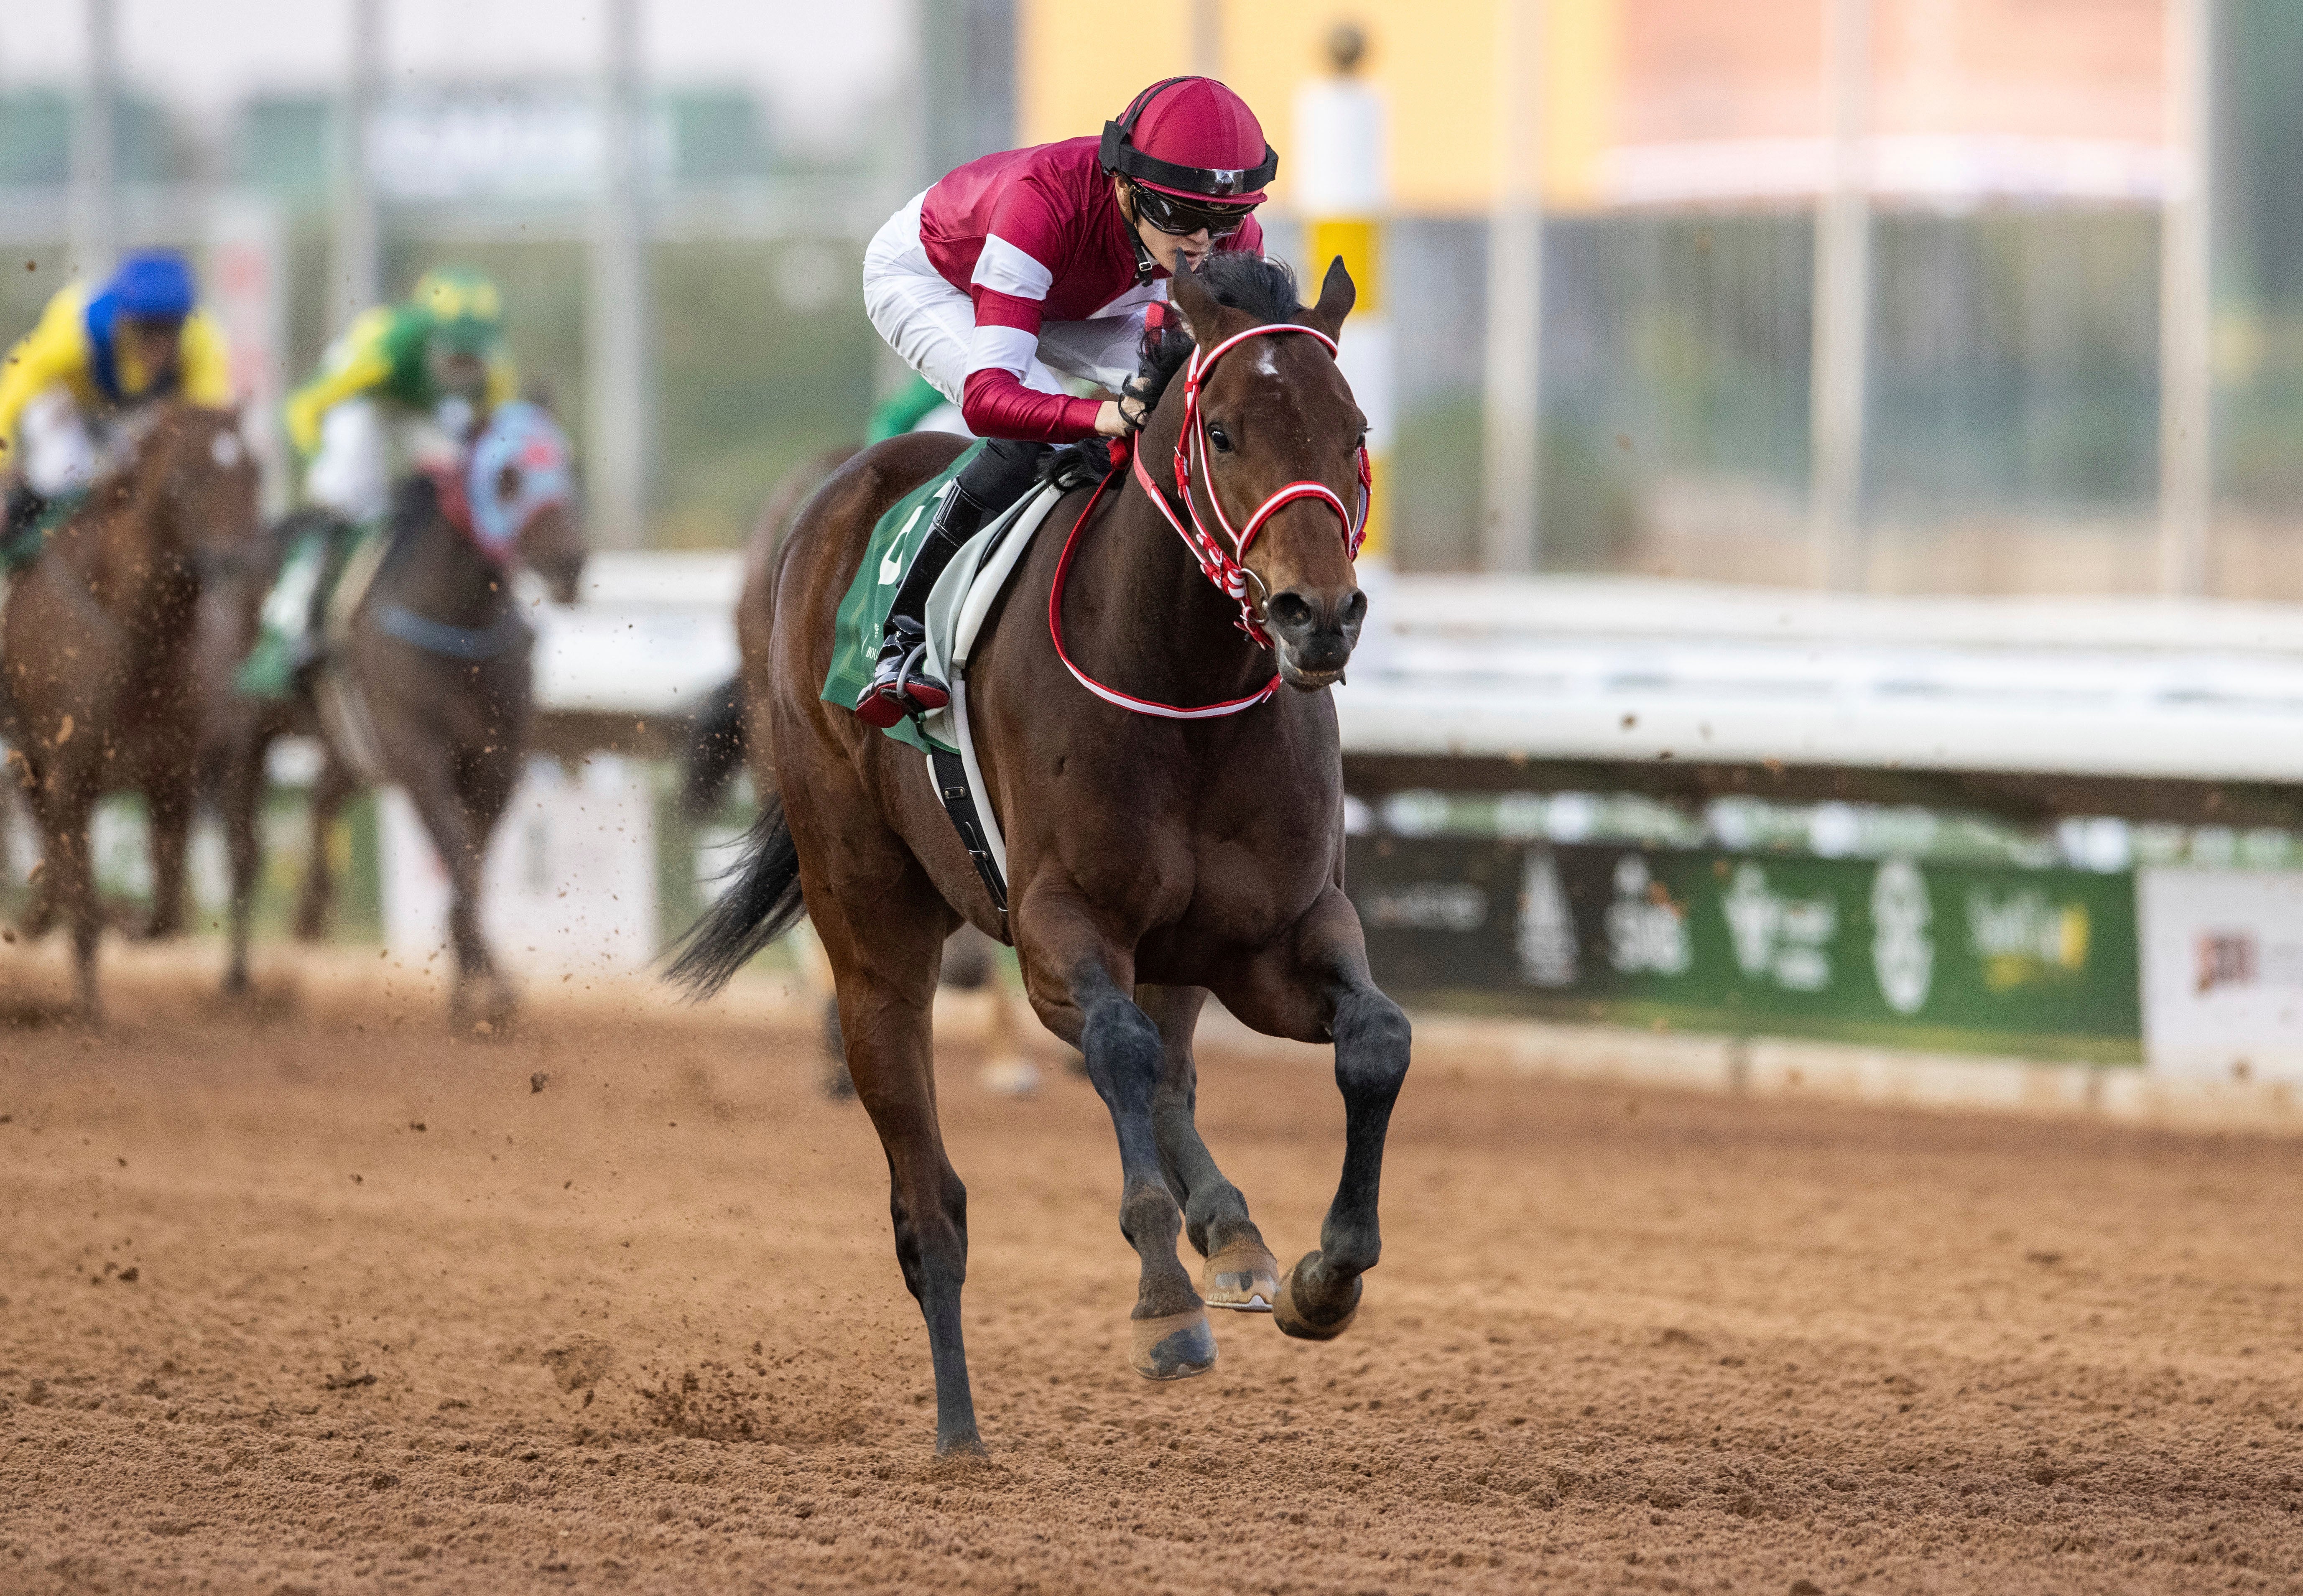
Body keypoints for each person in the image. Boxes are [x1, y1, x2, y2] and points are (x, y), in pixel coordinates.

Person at [852, 75, 1277, 727]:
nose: (1201, 243)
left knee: (1192, 398)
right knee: (1039, 432)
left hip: (1079, 297)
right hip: (942, 280)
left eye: (1224, 220)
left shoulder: (1227, 239)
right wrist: (1104, 415)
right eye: (1181, 218)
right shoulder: (1043, 201)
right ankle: (904, 637)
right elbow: (992, 400)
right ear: (1125, 183)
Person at [241, 268, 520, 695]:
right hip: (364, 399)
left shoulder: (495, 370)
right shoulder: (386, 349)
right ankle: (285, 635)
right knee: (348, 499)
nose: (465, 370)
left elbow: (501, 437)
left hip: (421, 410)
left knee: (465, 486)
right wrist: (322, 461)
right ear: (433, 340)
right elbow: (304, 407)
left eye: (473, 360)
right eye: (456, 358)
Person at [0, 250, 232, 563]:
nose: (159, 347)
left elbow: (206, 425)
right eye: (146, 331)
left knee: (143, 476)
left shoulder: (201, 342)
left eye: (169, 331)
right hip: (66, 402)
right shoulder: (78, 328)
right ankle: (20, 543)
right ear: (123, 319)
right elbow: (14, 385)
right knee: (62, 471)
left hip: (128, 413)